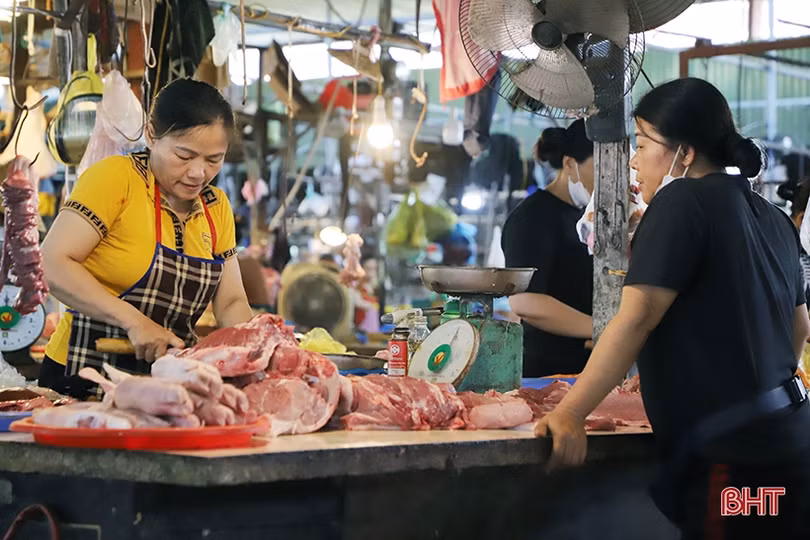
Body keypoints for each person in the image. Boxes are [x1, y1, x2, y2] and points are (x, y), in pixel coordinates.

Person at [537, 78, 810, 539]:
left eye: (643, 144)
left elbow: (637, 318)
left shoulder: (680, 200)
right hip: (793, 443)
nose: (633, 160)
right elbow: (798, 327)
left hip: (737, 458)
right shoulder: (773, 216)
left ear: (684, 153)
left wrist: (571, 412)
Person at [39, 78, 253, 398]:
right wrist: (134, 322)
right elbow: (51, 264)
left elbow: (232, 301)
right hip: (83, 375)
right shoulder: (116, 178)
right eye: (184, 155)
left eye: (213, 160)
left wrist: (253, 349)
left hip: (169, 386)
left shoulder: (215, 206)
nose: (198, 173)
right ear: (152, 136)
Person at [502, 119, 594, 377]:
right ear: (569, 164)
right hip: (547, 374)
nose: (609, 178)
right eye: (601, 168)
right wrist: (602, 329)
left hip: (588, 367)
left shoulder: (585, 216)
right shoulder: (532, 217)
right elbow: (525, 301)